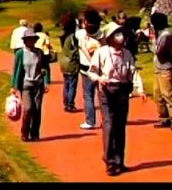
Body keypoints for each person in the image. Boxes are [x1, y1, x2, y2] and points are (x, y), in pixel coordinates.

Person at [86, 21, 145, 176]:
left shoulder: (127, 54)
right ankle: (109, 160)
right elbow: (91, 71)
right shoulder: (101, 52)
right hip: (107, 91)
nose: (120, 37)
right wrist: (99, 79)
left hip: (122, 91)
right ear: (110, 37)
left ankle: (119, 161)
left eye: (121, 33)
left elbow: (133, 72)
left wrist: (140, 89)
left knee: (120, 126)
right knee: (109, 124)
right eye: (116, 34)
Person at [11, 28, 50, 142]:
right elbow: (16, 70)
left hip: (38, 84)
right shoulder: (20, 53)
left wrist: (46, 81)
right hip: (26, 85)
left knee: (37, 110)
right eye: (29, 39)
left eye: (33, 39)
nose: (31, 41)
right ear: (25, 41)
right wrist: (14, 86)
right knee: (28, 109)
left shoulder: (39, 52)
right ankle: (24, 132)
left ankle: (34, 134)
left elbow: (45, 67)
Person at [150, 12, 172, 130]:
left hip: (165, 68)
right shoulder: (160, 34)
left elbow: (158, 51)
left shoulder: (166, 35)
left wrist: (153, 41)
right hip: (158, 67)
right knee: (158, 95)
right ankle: (164, 118)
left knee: (168, 94)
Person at [76, 10, 103, 129]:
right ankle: (106, 119)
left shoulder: (80, 34)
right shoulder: (102, 34)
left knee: (88, 95)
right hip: (100, 69)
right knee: (103, 96)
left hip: (86, 69)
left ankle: (90, 121)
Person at [59, 18, 80, 112]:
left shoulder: (63, 36)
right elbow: (75, 50)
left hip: (63, 62)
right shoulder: (72, 37)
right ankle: (70, 104)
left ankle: (66, 102)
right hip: (71, 63)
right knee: (72, 85)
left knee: (66, 84)